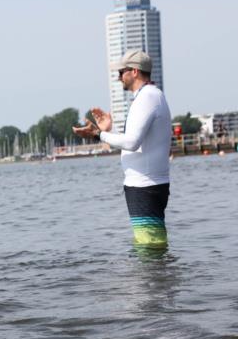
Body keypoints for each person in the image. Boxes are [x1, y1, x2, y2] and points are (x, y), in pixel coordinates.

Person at [73, 50, 172, 246]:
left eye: (121, 72)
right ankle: (156, 276)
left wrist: (97, 134)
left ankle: (155, 277)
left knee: (150, 246)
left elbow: (131, 143)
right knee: (148, 244)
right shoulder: (148, 96)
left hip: (145, 186)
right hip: (145, 185)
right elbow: (134, 142)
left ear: (134, 71)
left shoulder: (148, 97)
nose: (118, 77)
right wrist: (110, 129)